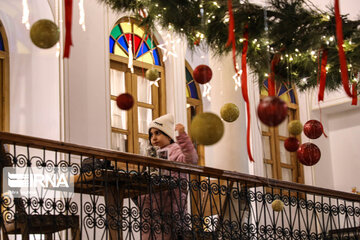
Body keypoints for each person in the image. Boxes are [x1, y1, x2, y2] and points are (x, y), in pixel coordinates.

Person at [139, 113, 198, 240]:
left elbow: (191, 159)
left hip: (171, 205)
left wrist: (182, 136)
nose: (153, 137)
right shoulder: (151, 154)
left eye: (158, 133)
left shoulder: (177, 150)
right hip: (151, 208)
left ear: (168, 135)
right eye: (151, 134)